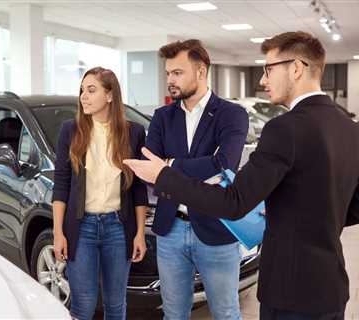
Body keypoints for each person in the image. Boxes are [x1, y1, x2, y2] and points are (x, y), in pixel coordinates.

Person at [124, 31, 359, 320]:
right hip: (331, 286)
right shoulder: (350, 128)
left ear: (296, 68)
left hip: (290, 289)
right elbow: (354, 206)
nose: (263, 80)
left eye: (269, 69)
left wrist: (164, 173)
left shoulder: (284, 128)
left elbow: (233, 201)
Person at [145, 39, 249, 320]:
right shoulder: (162, 117)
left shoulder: (231, 114)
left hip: (216, 229)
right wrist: (199, 167)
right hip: (170, 230)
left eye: (177, 73)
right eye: (168, 73)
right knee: (173, 314)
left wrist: (169, 165)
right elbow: (149, 169)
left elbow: (224, 164)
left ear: (201, 72)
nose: (170, 80)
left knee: (226, 313)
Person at [52, 67, 148, 320]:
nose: (83, 96)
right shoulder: (70, 130)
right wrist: (58, 232)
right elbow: (61, 184)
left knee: (116, 305)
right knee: (83, 305)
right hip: (81, 228)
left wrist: (139, 233)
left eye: (91, 90)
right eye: (82, 90)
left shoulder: (133, 133)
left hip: (118, 227)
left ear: (109, 95)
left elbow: (138, 188)